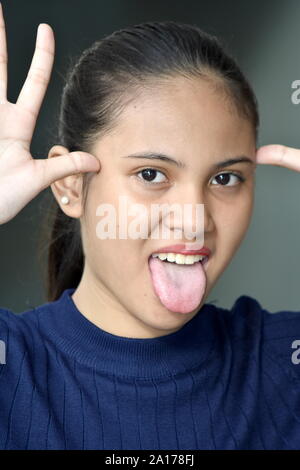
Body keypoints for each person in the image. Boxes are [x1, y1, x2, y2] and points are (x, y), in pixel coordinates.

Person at [0, 3, 300, 450]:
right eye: (151, 174)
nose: (193, 218)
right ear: (70, 186)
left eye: (224, 178)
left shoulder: (284, 362)